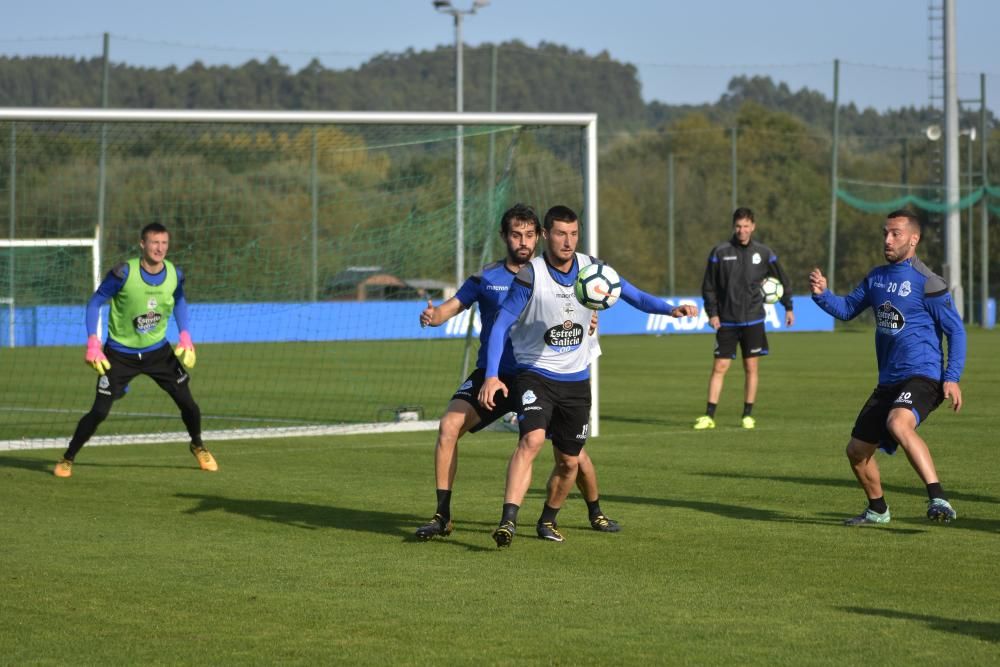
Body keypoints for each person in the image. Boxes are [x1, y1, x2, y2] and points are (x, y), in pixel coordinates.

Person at [479, 205, 698, 547]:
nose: (568, 242)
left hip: (577, 380)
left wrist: (670, 309)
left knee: (569, 462)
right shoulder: (530, 275)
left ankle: (547, 520)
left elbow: (635, 296)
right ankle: (508, 520)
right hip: (535, 373)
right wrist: (492, 375)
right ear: (546, 235)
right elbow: (500, 326)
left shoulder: (594, 270)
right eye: (561, 234)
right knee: (533, 440)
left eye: (574, 234)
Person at [414, 203, 620, 540]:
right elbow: (450, 309)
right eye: (515, 235)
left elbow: (580, 310)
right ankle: (442, 516)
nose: (522, 242)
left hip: (539, 376)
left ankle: (595, 511)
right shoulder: (486, 277)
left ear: (539, 236)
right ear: (504, 237)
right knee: (449, 425)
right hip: (494, 377)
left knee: (573, 455)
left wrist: (591, 320)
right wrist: (433, 317)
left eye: (528, 235)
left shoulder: (550, 275)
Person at [809, 209, 965, 526]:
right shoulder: (877, 277)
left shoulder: (928, 283)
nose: (888, 239)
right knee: (856, 451)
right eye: (885, 233)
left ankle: (939, 497)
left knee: (898, 423)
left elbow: (956, 331)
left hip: (924, 375)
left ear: (914, 238)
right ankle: (878, 510)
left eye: (895, 233)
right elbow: (847, 309)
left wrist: (952, 377)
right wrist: (823, 295)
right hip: (889, 380)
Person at [53, 222, 217, 478]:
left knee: (189, 405)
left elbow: (180, 300)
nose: (159, 248)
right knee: (99, 412)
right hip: (119, 355)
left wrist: (185, 335)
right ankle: (67, 457)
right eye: (154, 242)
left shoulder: (175, 274)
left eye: (164, 243)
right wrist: (93, 342)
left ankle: (198, 445)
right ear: (142, 244)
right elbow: (95, 302)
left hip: (158, 353)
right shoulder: (123, 273)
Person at [694, 207, 794, 431]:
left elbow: (783, 280)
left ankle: (747, 414)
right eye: (738, 226)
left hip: (753, 320)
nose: (742, 230)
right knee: (719, 366)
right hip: (726, 320)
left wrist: (788, 307)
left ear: (753, 226)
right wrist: (713, 313)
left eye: (746, 226)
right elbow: (708, 286)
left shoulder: (765, 253)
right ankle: (709, 415)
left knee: (751, 367)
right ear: (733, 227)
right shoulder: (719, 252)